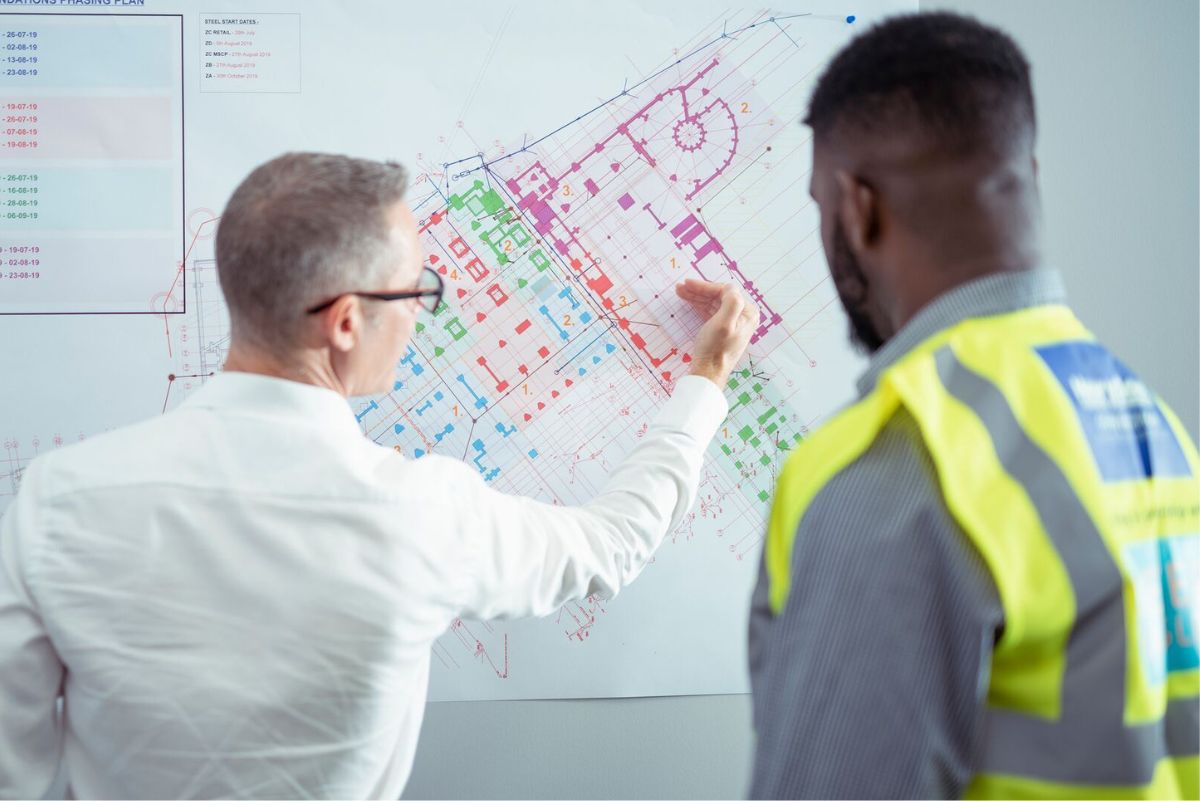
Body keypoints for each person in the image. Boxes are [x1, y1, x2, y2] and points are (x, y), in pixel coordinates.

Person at [0, 152, 758, 798]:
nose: (422, 315)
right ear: (346, 322)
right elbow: (613, 542)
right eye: (416, 292)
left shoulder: (56, 497)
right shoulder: (424, 515)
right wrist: (708, 377)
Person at [748, 11, 1199, 800]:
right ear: (1026, 169)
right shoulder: (1147, 422)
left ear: (857, 206)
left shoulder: (900, 470)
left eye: (821, 205)